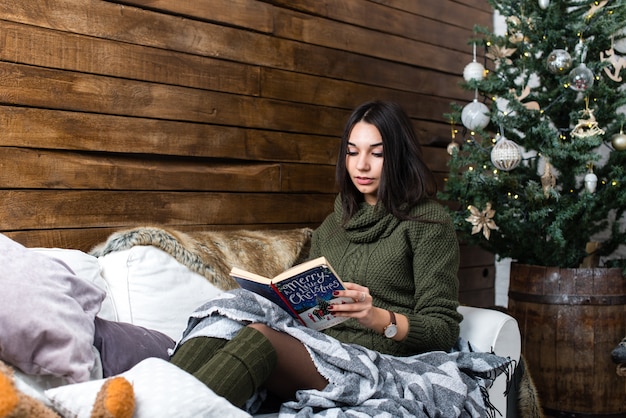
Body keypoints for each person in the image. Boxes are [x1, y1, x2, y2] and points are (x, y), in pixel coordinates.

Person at [170, 100, 462, 410]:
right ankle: (152, 397)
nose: (361, 165)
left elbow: (442, 330)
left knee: (261, 338)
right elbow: (309, 307)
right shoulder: (334, 224)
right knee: (231, 310)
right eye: (352, 152)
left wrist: (374, 316)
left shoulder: (428, 224)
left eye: (377, 154)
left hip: (382, 363)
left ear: (399, 156)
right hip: (323, 347)